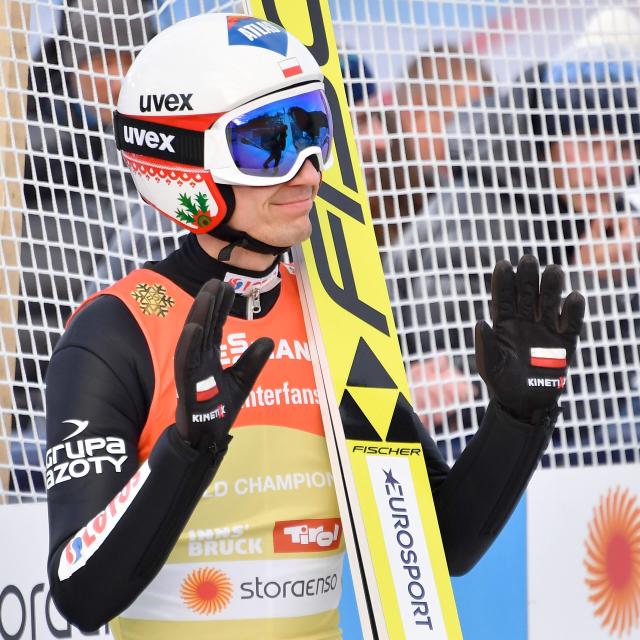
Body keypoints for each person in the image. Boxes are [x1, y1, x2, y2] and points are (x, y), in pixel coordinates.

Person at [45, 13, 584, 638]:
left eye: (313, 131)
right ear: (184, 162)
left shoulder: (334, 313)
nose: (307, 170)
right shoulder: (118, 330)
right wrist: (187, 450)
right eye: (268, 142)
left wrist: (517, 420)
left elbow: (444, 540)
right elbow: (81, 596)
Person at [391, 39, 639, 449]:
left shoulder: (600, 218)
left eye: (626, 148)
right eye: (592, 143)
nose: (608, 168)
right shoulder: (479, 220)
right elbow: (490, 394)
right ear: (547, 139)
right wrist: (594, 286)